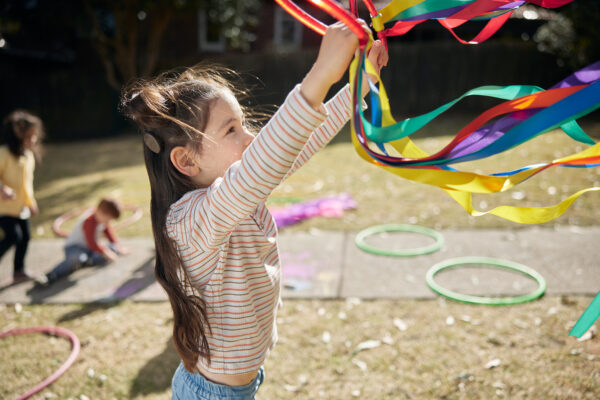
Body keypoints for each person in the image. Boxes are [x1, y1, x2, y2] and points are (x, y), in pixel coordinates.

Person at [121, 20, 388, 399]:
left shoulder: (234, 194)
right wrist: (320, 75)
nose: (250, 137)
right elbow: (265, 160)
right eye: (231, 130)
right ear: (186, 161)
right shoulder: (190, 221)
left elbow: (291, 150)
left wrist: (359, 86)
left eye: (243, 124)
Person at [38, 198, 128, 285]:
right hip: (74, 248)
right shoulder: (89, 221)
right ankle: (51, 275)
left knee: (113, 248)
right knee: (77, 258)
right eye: (108, 219)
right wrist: (105, 252)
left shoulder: (101, 219)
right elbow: (92, 243)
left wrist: (118, 247)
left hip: (89, 249)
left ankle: (86, 261)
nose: (108, 221)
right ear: (101, 212)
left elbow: (108, 231)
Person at [0, 110, 44, 284]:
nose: (33, 140)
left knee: (25, 237)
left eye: (35, 136)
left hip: (21, 208)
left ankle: (19, 270)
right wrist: (2, 188)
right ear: (17, 135)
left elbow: (27, 185)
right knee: (13, 237)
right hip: (3, 209)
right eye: (29, 136)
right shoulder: (4, 154)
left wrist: (30, 203)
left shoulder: (28, 156)